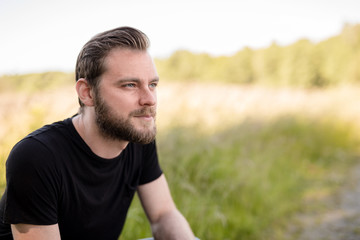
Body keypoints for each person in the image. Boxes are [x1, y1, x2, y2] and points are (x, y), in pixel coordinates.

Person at [0, 26, 195, 240]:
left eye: (152, 84)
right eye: (130, 85)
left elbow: (163, 215)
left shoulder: (136, 135)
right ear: (87, 93)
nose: (150, 99)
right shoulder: (36, 157)